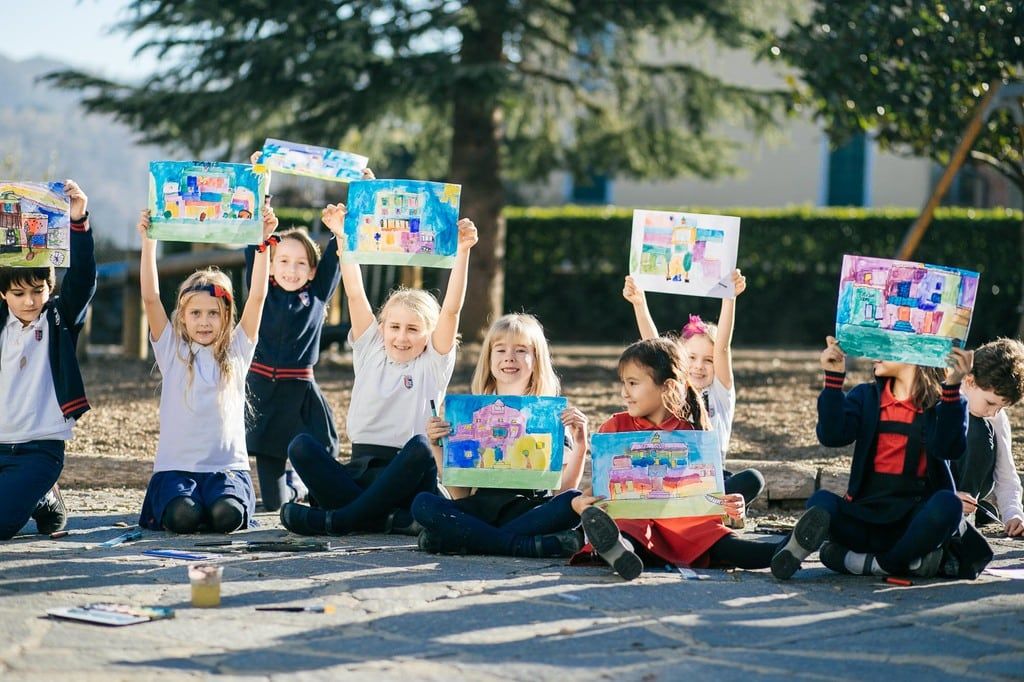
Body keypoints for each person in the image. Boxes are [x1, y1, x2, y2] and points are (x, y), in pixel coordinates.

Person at [279, 202, 477, 536]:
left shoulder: (432, 362)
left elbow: (452, 311)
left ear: (429, 335)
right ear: (381, 328)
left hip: (409, 473)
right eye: (394, 327)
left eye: (413, 329)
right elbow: (355, 295)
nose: (401, 337)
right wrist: (343, 236)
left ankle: (340, 521)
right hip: (360, 473)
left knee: (421, 445)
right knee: (300, 446)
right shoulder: (371, 348)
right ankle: (385, 519)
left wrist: (463, 252)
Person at [572, 337, 829, 581]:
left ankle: (788, 549)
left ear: (667, 387)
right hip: (634, 523)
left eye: (632, 383)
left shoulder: (691, 435)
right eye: (623, 383)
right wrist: (582, 503)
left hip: (684, 523)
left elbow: (702, 488)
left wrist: (730, 509)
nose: (624, 393)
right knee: (625, 533)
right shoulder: (614, 429)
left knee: (724, 543)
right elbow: (600, 488)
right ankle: (617, 552)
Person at [136, 206, 275, 533]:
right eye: (195, 313)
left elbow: (257, 297)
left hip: (226, 469)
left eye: (213, 313)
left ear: (226, 316)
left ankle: (216, 505)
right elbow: (151, 298)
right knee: (183, 517)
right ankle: (190, 507)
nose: (204, 321)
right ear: (182, 316)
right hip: (176, 469)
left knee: (227, 516)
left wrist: (263, 243)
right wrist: (149, 241)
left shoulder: (237, 350)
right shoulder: (172, 350)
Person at [244, 164, 376, 511]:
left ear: (313, 270)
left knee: (324, 464)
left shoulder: (316, 293)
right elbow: (254, 234)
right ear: (271, 265)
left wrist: (361, 193)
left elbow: (339, 247)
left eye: (301, 263)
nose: (291, 269)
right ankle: (293, 488)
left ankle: (307, 484)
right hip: (263, 393)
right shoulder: (260, 291)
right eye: (284, 261)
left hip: (301, 391)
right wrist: (261, 179)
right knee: (274, 504)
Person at [411, 313, 588, 557]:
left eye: (521, 350)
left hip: (528, 509)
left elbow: (562, 492)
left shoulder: (553, 418)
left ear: (537, 360)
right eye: (501, 349)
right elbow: (460, 493)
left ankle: (461, 539)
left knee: (572, 501)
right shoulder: (469, 414)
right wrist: (437, 446)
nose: (509, 357)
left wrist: (581, 445)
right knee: (422, 503)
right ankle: (523, 546)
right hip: (479, 509)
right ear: (489, 358)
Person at [807, 336, 970, 577]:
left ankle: (872, 563)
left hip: (913, 525)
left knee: (949, 504)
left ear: (915, 350)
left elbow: (949, 449)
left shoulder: (944, 404)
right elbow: (832, 436)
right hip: (865, 519)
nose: (875, 352)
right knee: (819, 503)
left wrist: (952, 388)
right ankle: (906, 562)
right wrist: (833, 379)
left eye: (886, 344)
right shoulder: (866, 396)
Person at [0, 180, 95, 539]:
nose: (29, 301)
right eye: (18, 293)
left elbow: (83, 280)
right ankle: (34, 497)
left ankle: (44, 495)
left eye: (37, 291)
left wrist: (78, 220)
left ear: (50, 287)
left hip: (40, 449)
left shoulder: (59, 318)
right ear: (2, 293)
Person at [623, 271, 764, 505]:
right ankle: (701, 508)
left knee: (752, 479)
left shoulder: (720, 391)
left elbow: (722, 348)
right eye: (691, 358)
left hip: (712, 477)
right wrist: (639, 303)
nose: (699, 366)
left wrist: (729, 298)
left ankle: (710, 508)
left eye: (708, 360)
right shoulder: (673, 388)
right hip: (673, 478)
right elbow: (654, 346)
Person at [952, 337, 1024, 537]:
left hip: (974, 486)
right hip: (937, 489)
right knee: (972, 425)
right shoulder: (941, 398)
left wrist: (1013, 514)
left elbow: (1006, 473)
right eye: (990, 403)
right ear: (970, 381)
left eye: (1001, 407)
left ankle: (965, 516)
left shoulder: (994, 418)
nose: (993, 412)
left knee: (978, 428)